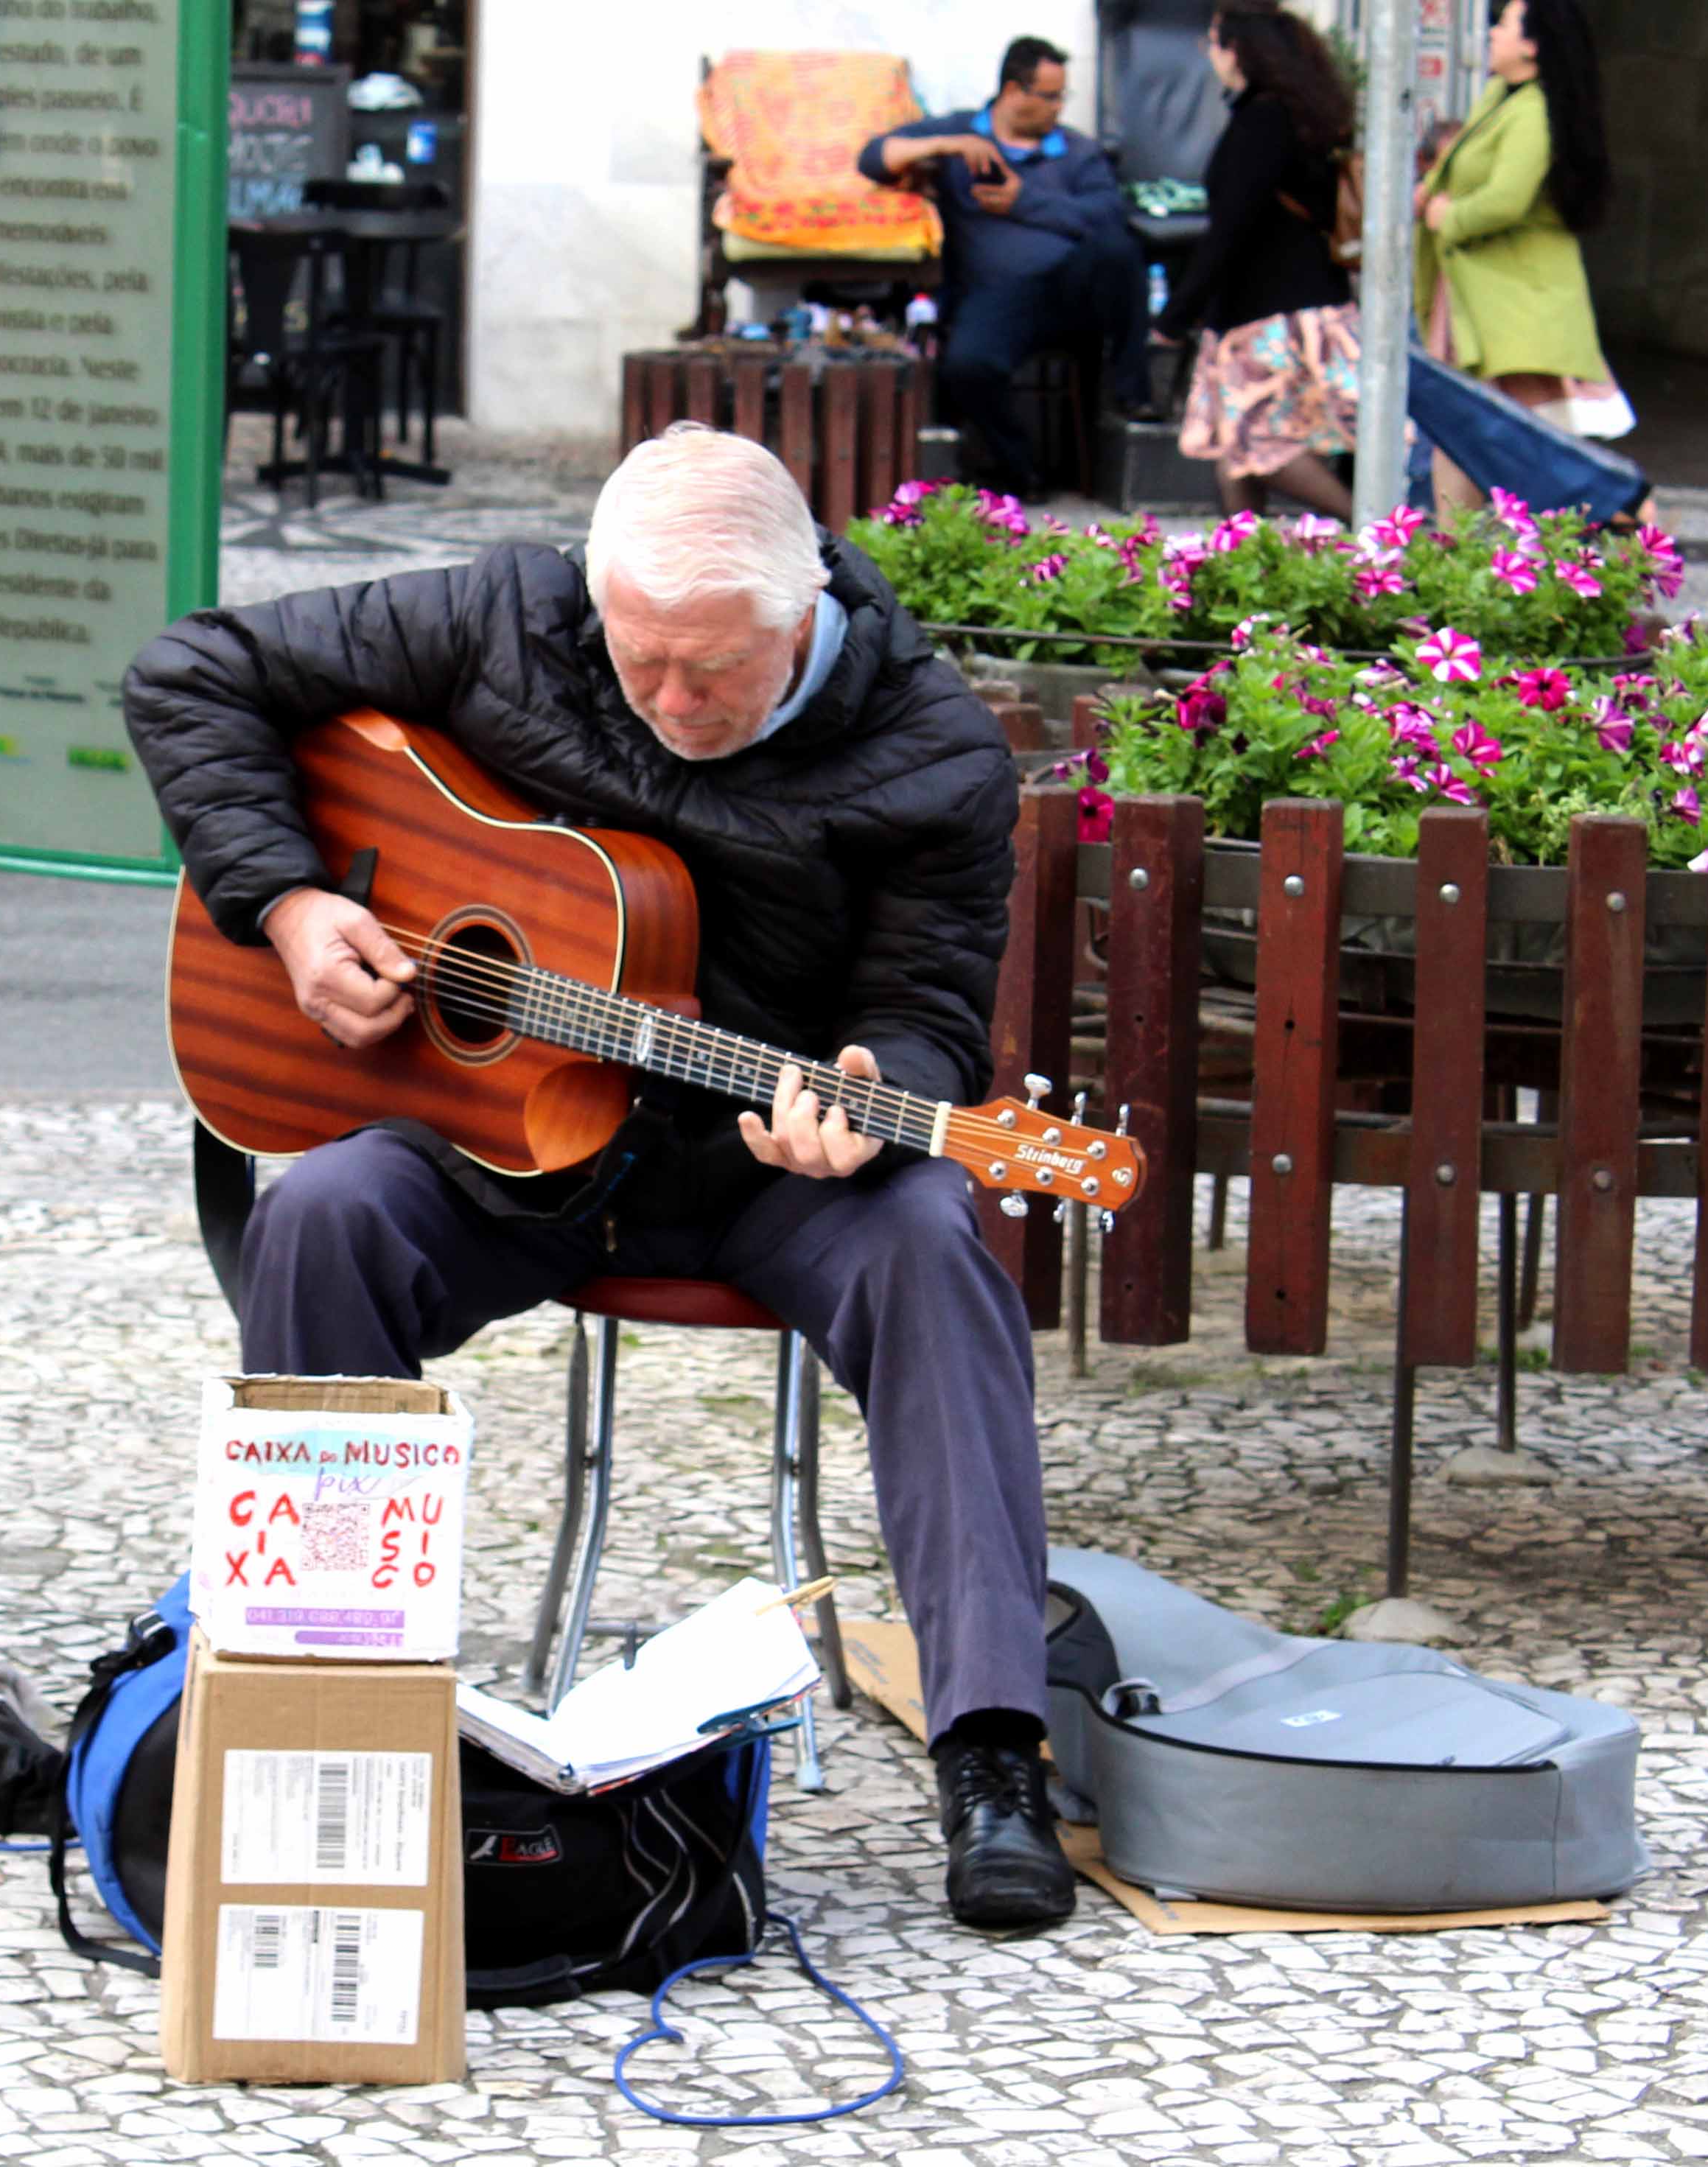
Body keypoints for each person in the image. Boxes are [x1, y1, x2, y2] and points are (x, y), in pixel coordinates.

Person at [122, 424, 1072, 1933]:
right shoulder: (512, 618)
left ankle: (994, 1749)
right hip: (498, 1150)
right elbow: (190, 674)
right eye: (643, 664)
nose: (675, 702)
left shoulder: (931, 749)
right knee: (318, 1215)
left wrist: (883, 1089)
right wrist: (292, 903)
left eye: (716, 669)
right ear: (595, 602)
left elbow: (928, 1014)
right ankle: (332, 1715)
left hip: (763, 1170)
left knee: (929, 1240)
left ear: (803, 609)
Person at [858, 35, 1159, 494]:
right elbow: (873, 159)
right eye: (1051, 96)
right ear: (1015, 92)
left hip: (1072, 295)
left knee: (1119, 250)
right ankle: (1023, 471)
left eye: (1063, 96)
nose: (1060, 107)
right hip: (996, 297)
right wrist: (948, 144)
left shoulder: (1076, 152)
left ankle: (1131, 392)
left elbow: (1107, 217)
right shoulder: (963, 135)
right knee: (967, 366)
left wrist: (1025, 200)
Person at [1415, 0, 1626, 507]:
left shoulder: (1532, 111)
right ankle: (1455, 557)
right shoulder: (1503, 99)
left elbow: (1507, 199)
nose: (1489, 34)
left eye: (1503, 25)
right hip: (1486, 301)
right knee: (1465, 432)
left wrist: (1450, 215)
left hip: (1519, 307)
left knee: (1531, 446)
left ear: (1532, 46)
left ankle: (1624, 525)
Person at [1155, 0, 1362, 517]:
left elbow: (1231, 229)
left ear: (1238, 51)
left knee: (1258, 446)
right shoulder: (1293, 116)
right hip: (1283, 305)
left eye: (1214, 41)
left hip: (1270, 311)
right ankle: (1242, 563)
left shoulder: (1264, 120)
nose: (1210, 53)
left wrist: (1177, 313)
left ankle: (1377, 530)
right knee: (1236, 445)